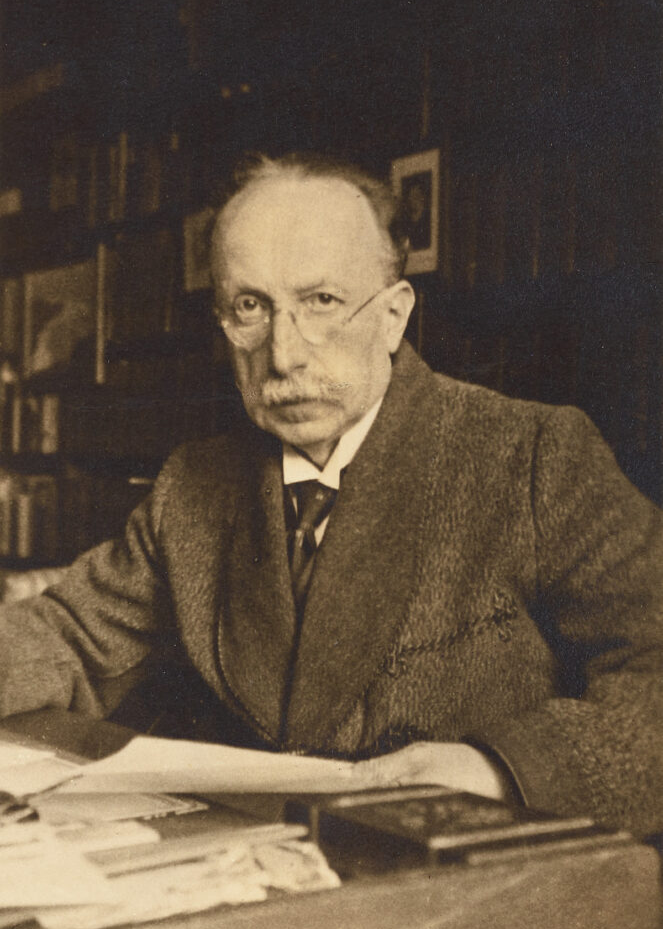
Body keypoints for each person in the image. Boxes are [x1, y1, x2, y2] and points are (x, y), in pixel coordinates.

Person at [0, 153, 661, 836]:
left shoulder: (531, 457)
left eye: (322, 302)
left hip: (472, 882)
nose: (284, 354)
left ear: (393, 316)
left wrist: (498, 769)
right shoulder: (195, 487)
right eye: (250, 307)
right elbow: (68, 639)